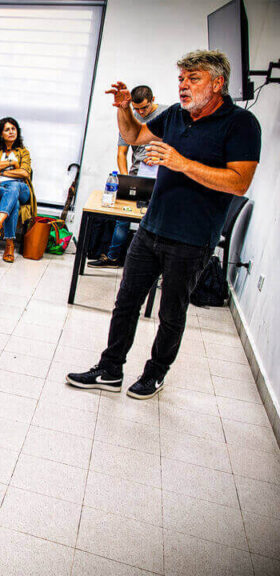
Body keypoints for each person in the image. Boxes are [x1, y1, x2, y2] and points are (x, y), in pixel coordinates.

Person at [68, 50, 260, 400]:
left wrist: (182, 163)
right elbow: (134, 136)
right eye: (181, 79)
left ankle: (155, 374)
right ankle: (110, 370)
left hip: (192, 239)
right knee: (125, 303)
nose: (184, 86)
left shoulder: (241, 124)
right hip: (151, 227)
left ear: (217, 83)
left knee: (171, 312)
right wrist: (124, 108)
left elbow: (239, 182)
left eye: (193, 78)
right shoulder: (175, 114)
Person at [90, 85, 167, 269]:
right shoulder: (130, 118)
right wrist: (126, 179)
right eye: (136, 108)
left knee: (158, 221)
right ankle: (113, 258)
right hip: (138, 175)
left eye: (144, 108)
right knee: (122, 218)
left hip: (163, 175)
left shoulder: (166, 114)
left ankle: (156, 266)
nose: (140, 112)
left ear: (153, 99)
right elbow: (121, 153)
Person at [0, 117, 36, 264]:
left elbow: (25, 173)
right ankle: (9, 245)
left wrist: (2, 172)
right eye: (7, 129)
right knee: (14, 202)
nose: (11, 132)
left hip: (21, 187)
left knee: (14, 186)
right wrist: (12, 163)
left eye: (13, 129)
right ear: (0, 133)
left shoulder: (23, 152)